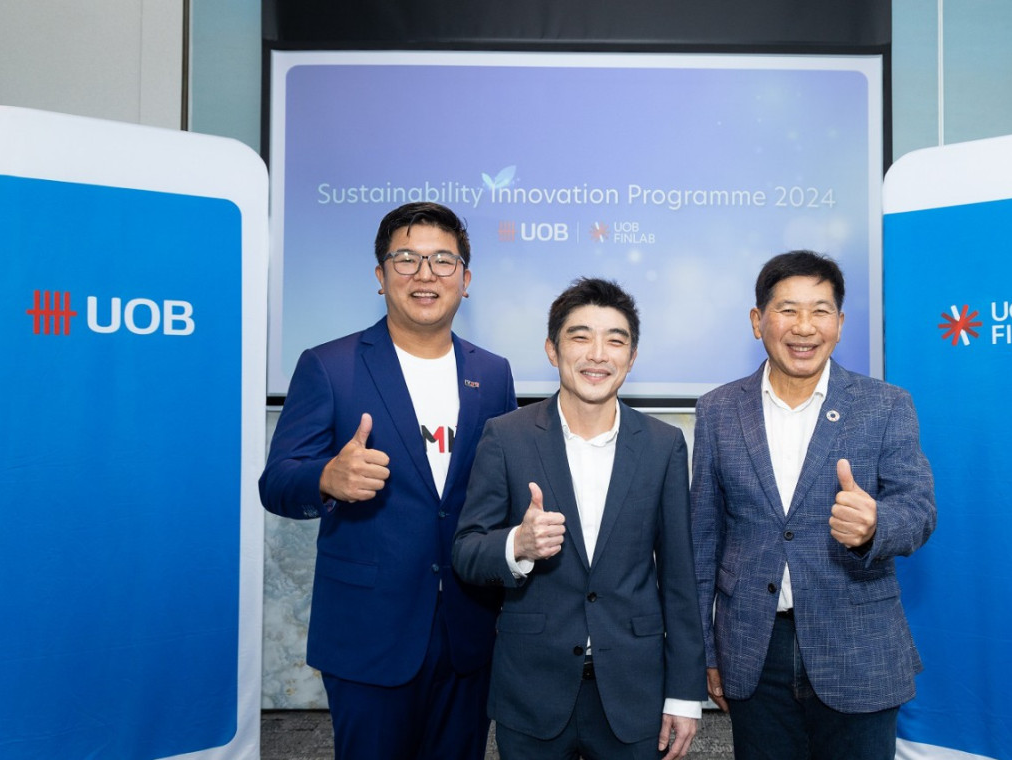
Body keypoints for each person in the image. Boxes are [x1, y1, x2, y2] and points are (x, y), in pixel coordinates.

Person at [258, 202, 516, 759]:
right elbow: (276, 481)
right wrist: (326, 477)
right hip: (368, 634)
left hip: (468, 634)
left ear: (465, 279)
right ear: (381, 276)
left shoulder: (492, 373)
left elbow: (500, 493)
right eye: (406, 259)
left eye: (443, 260)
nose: (425, 274)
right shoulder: (330, 365)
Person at [690, 250, 936, 760]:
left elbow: (918, 509)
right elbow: (703, 540)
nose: (804, 327)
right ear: (758, 320)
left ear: (840, 324)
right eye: (787, 310)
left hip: (859, 648)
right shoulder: (718, 410)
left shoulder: (886, 404)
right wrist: (705, 651)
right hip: (754, 650)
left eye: (820, 311)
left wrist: (876, 525)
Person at [452, 278, 706, 760]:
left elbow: (679, 578)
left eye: (615, 340)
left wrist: (683, 694)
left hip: (634, 689)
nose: (598, 355)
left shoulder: (662, 444)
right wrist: (516, 546)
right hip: (532, 689)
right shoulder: (506, 436)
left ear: (632, 357)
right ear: (552, 349)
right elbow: (466, 550)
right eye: (580, 336)